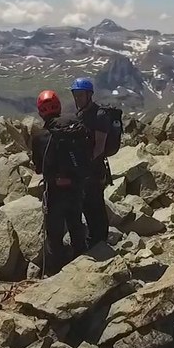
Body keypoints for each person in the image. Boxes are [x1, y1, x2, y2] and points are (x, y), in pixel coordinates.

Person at [30, 89, 89, 275]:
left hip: (54, 190)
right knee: (76, 226)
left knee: (54, 234)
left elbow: (39, 169)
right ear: (59, 107)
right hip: (76, 186)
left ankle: (56, 272)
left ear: (40, 111)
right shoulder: (75, 125)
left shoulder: (40, 136)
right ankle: (83, 265)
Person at [70, 77, 111, 248]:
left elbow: (99, 147)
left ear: (89, 95)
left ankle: (100, 241)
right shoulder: (82, 115)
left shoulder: (99, 116)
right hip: (85, 170)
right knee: (87, 205)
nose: (78, 98)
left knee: (96, 206)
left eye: (81, 95)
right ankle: (95, 239)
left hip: (94, 170)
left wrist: (85, 166)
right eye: (76, 95)